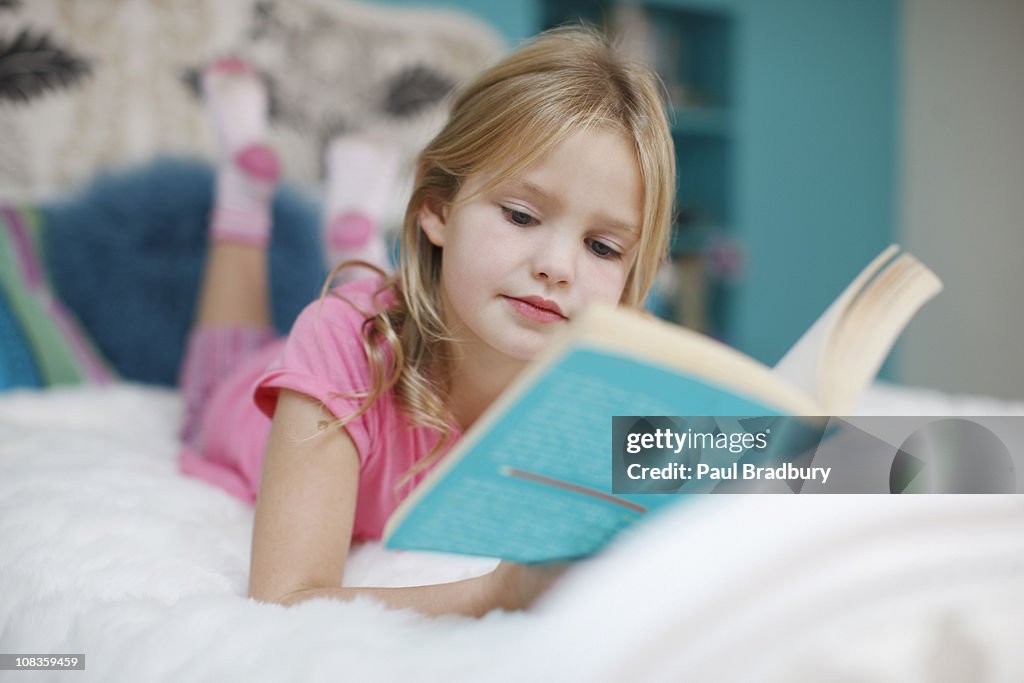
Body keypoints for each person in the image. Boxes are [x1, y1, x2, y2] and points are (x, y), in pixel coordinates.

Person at [177, 26, 676, 618]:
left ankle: (359, 237)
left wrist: (806, 447)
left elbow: (782, 460)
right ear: (437, 210)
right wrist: (494, 594)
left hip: (398, 316)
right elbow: (285, 597)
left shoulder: (609, 383)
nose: (557, 267)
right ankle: (244, 195)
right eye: (520, 215)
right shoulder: (340, 344)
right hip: (284, 378)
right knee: (217, 375)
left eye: (602, 248)